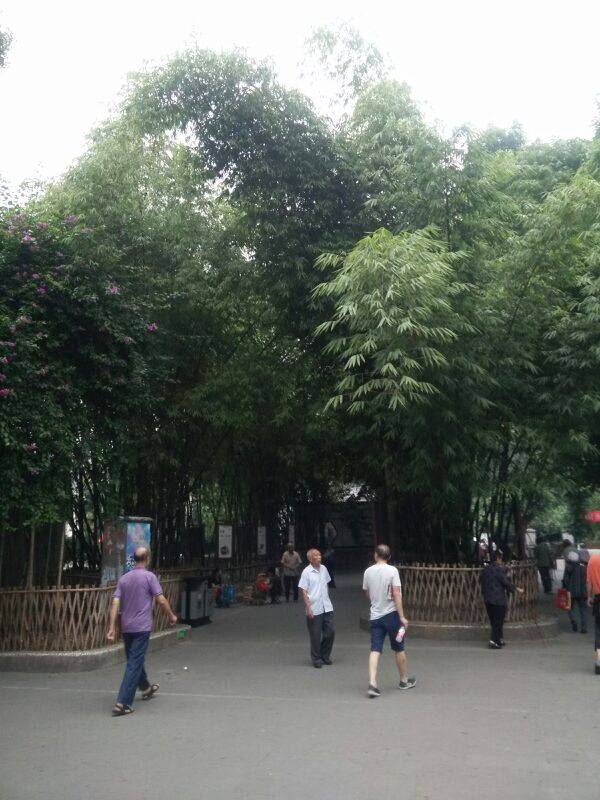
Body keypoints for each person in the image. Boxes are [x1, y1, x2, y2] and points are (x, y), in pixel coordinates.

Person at [106, 547, 178, 716]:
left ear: (134, 559)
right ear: (147, 559)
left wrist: (111, 628)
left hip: (126, 627)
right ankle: (123, 703)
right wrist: (171, 616)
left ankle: (145, 688)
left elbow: (115, 603)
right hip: (141, 628)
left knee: (134, 659)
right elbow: (161, 600)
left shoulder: (124, 579)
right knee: (134, 663)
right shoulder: (149, 577)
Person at [362, 544, 416, 697]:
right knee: (399, 647)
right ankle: (403, 680)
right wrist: (402, 617)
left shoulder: (368, 571)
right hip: (392, 615)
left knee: (375, 649)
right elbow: (397, 594)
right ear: (389, 557)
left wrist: (374, 602)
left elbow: (366, 591)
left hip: (375, 616)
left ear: (375, 555)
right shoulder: (393, 571)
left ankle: (372, 683)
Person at [479, 550, 524, 649]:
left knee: (493, 620)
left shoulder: (485, 569)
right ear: (498, 558)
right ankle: (493, 641)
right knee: (498, 621)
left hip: (487, 598)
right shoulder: (500, 570)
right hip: (498, 599)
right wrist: (517, 589)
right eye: (501, 558)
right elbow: (506, 582)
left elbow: (481, 580)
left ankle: (499, 639)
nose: (501, 561)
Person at [298, 548, 334, 668]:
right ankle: (316, 659)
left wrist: (326, 597)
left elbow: (326, 584)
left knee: (330, 632)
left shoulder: (324, 569)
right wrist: (308, 607)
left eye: (319, 555)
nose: (319, 557)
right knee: (315, 635)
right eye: (316, 555)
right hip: (314, 607)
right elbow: (303, 590)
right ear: (310, 558)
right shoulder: (306, 572)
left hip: (327, 606)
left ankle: (325, 655)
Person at [562, 550, 587, 633]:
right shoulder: (583, 567)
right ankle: (584, 628)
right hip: (582, 592)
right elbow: (586, 580)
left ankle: (573, 621)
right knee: (583, 610)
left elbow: (565, 580)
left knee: (569, 607)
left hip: (570, 592)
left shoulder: (568, 567)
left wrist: (565, 587)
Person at [585, 552, 600, 674]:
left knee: (599, 632)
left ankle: (599, 662)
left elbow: (589, 582)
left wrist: (589, 597)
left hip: (598, 599)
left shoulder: (593, 560)